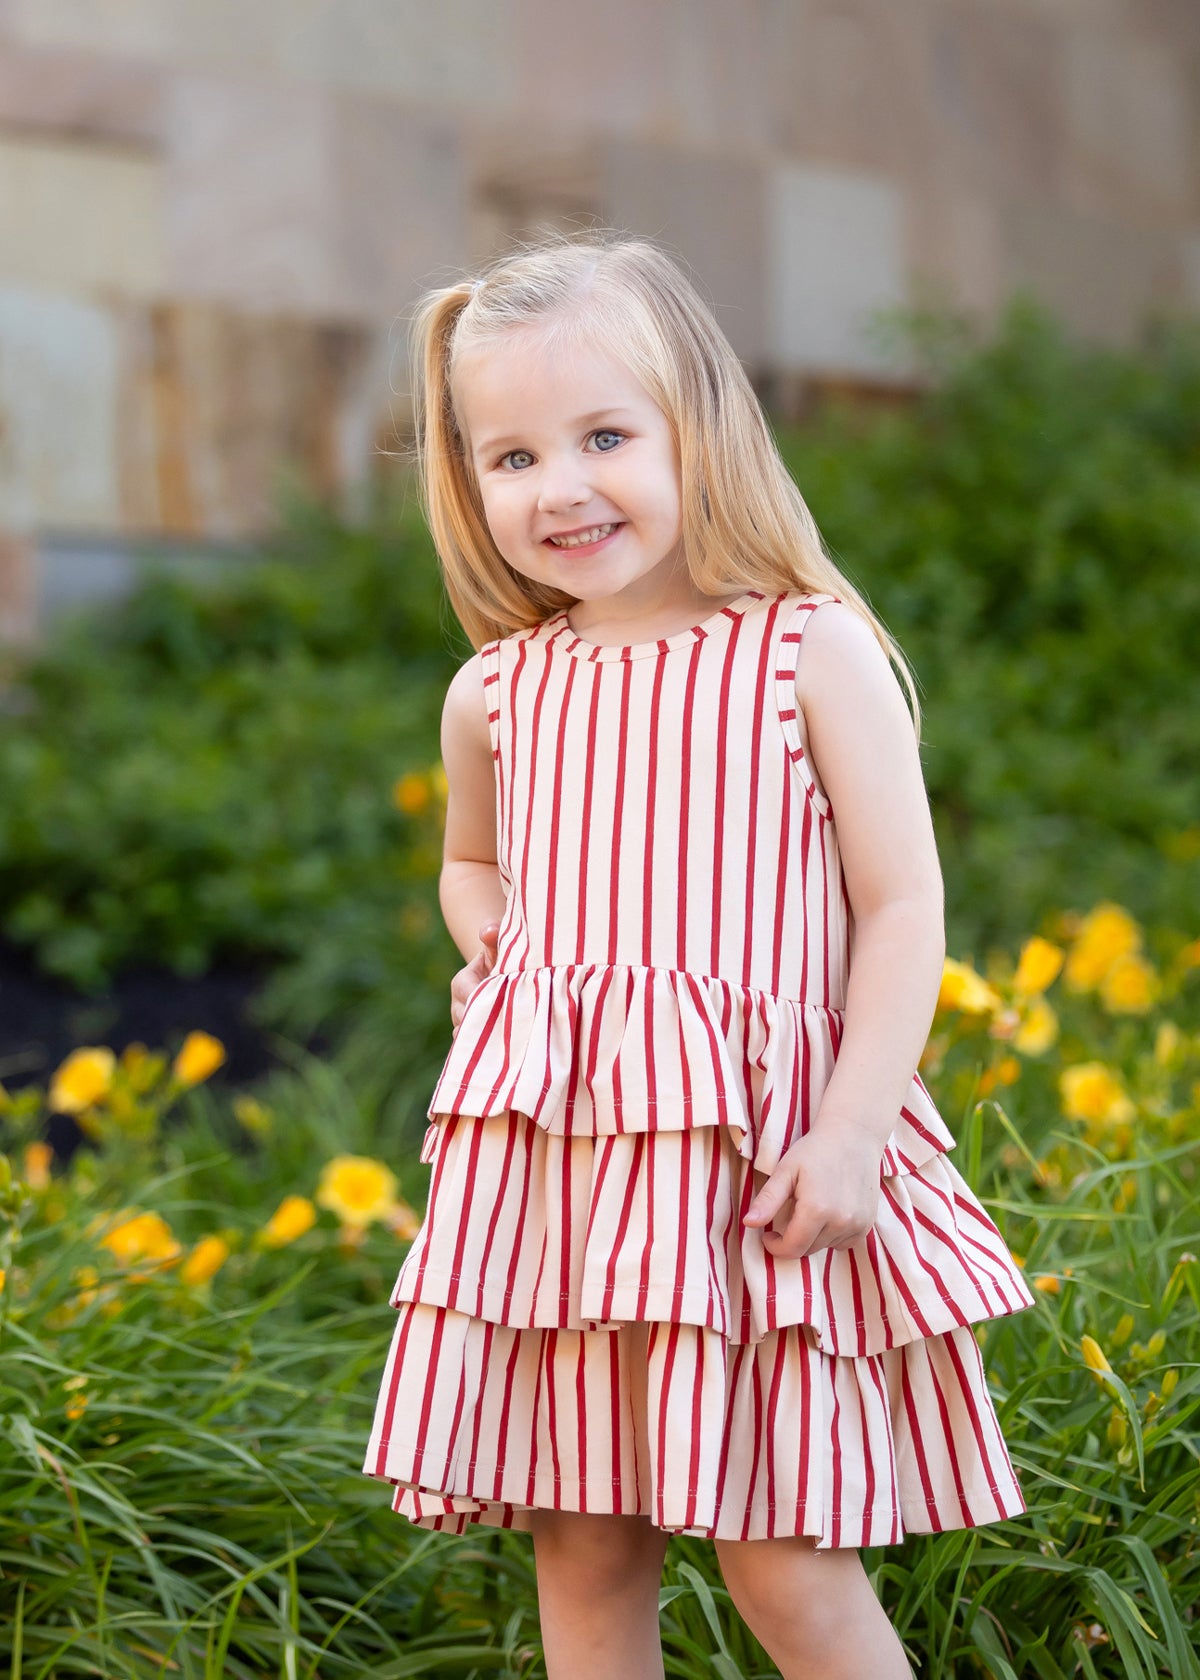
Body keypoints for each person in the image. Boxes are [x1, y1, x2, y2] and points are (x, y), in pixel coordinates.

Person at [361, 230, 1034, 1680]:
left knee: (786, 1565)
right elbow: (471, 863)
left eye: (605, 434)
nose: (562, 487)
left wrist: (855, 1129)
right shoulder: (497, 691)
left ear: (697, 430)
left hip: (754, 1174)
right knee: (586, 1548)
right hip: (566, 1177)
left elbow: (902, 905)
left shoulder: (806, 656)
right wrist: (505, 954)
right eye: (512, 456)